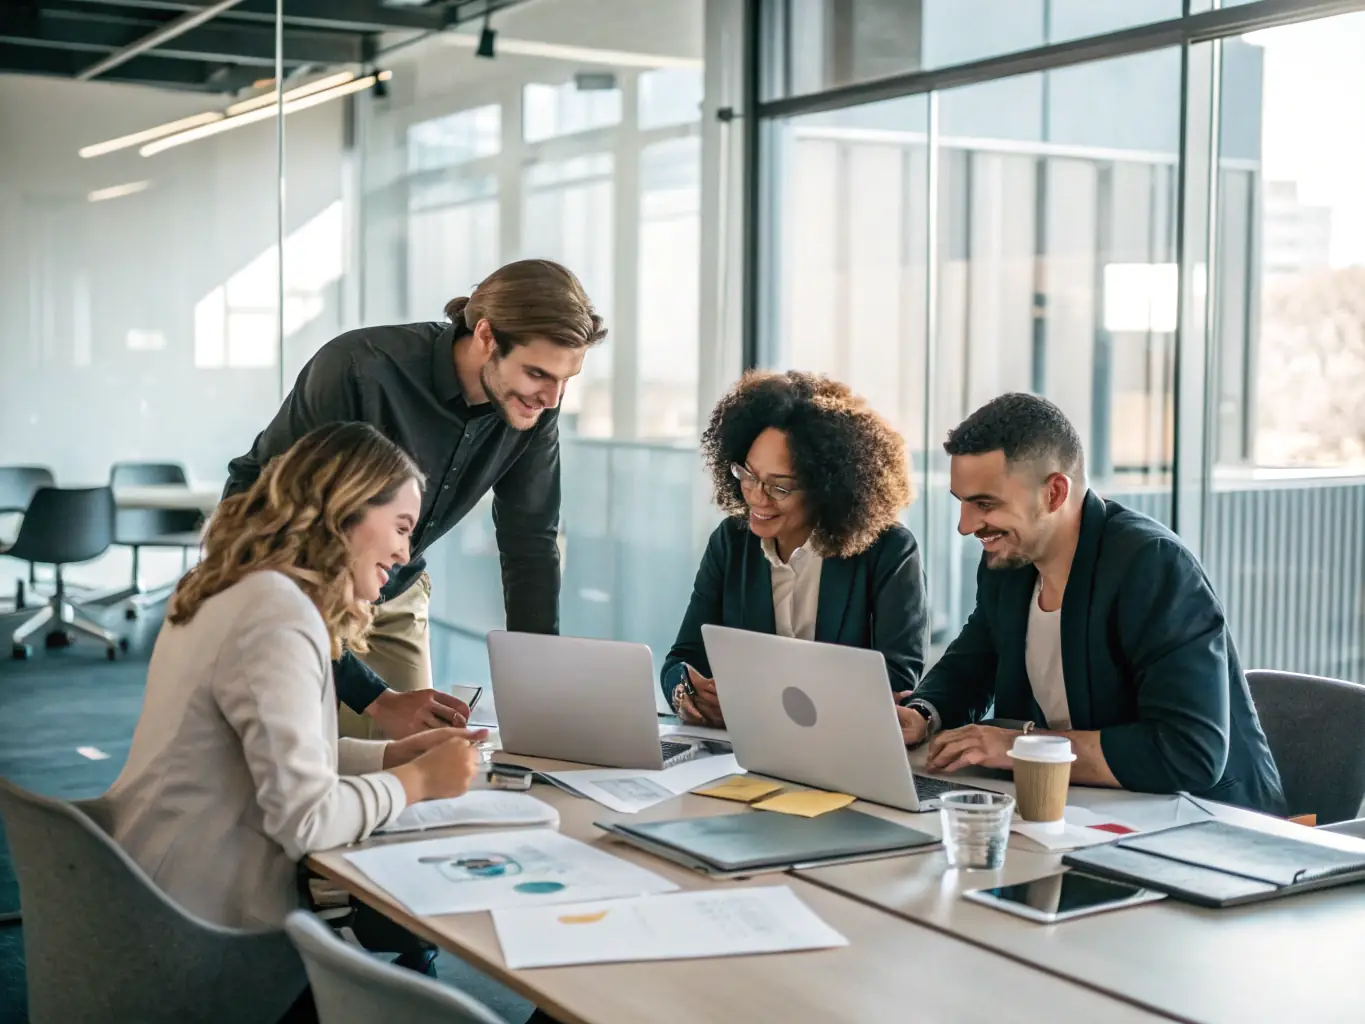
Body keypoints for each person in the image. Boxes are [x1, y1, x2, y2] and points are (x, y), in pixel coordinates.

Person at [104, 423, 486, 943]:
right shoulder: (277, 615)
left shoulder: (233, 586)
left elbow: (259, 756)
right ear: (346, 512)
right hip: (208, 932)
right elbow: (305, 821)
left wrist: (391, 759)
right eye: (400, 526)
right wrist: (419, 782)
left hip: (157, 885)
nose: (405, 552)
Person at [225, 259, 606, 741]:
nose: (552, 398)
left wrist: (538, 681)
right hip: (298, 580)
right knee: (296, 755)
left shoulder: (533, 408)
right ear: (486, 335)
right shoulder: (359, 370)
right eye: (537, 373)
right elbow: (272, 519)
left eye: (566, 379)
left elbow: (530, 540)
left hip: (395, 589)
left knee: (415, 755)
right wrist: (372, 697)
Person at [898, 393, 1286, 815]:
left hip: (1210, 824)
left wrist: (1019, 747)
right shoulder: (1008, 563)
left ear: (1055, 492)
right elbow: (973, 661)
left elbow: (1189, 751)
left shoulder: (1152, 565)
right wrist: (923, 713)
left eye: (985, 504)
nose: (966, 525)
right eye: (962, 502)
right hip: (1083, 811)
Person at [662, 370, 928, 726]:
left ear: (826, 488)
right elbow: (684, 656)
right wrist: (686, 693)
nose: (757, 497)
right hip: (744, 750)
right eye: (748, 475)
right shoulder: (731, 541)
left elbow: (896, 680)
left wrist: (757, 702)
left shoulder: (889, 550)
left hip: (843, 748)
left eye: (779, 487)